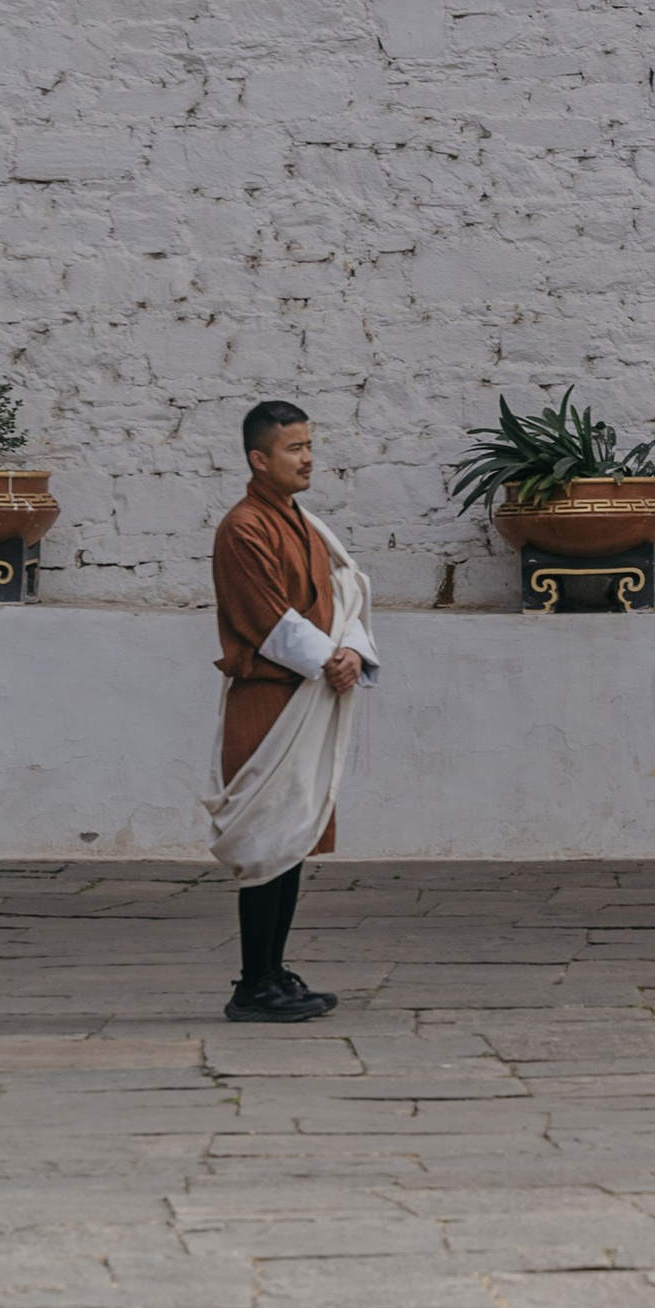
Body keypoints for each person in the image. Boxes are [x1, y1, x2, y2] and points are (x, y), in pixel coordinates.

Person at [203, 400, 378, 1023]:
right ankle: (252, 984)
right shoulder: (244, 527)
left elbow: (347, 592)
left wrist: (353, 649)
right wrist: (332, 658)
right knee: (265, 840)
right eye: (293, 448)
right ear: (259, 459)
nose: (307, 458)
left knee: (292, 840)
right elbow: (265, 616)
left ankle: (274, 972)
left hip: (311, 692)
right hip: (269, 699)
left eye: (309, 445)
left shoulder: (305, 522)